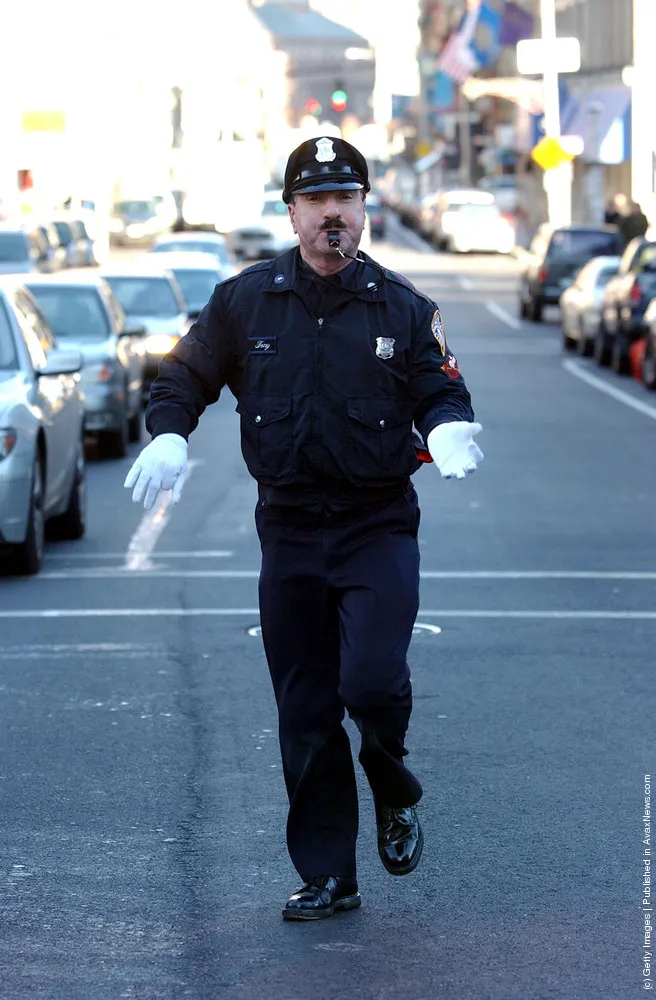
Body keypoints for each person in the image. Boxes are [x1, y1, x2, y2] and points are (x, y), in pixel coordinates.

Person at [124, 136, 483, 922]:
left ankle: (391, 781)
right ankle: (329, 877)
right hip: (287, 530)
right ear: (291, 213)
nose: (331, 214)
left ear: (364, 209)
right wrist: (169, 432)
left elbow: (438, 384)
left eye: (344, 198)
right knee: (306, 712)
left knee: (371, 681)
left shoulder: (402, 307)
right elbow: (185, 373)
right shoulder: (244, 301)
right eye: (315, 200)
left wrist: (448, 424)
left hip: (376, 524)